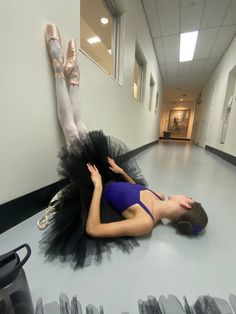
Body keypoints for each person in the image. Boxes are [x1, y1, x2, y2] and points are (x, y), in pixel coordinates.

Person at [39, 24, 208, 268]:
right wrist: (121, 172)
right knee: (84, 131)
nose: (185, 195)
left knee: (72, 131)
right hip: (107, 176)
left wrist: (97, 187)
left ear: (185, 204)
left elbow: (94, 229)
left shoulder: (145, 223)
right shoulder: (158, 195)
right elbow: (135, 191)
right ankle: (73, 78)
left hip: (93, 189)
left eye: (188, 197)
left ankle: (57, 67)